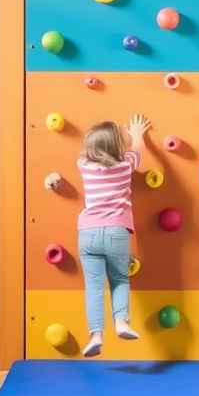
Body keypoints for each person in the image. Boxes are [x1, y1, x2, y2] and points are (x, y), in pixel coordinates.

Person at [76, 114, 150, 357]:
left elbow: (90, 152)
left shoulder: (84, 166)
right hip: (116, 231)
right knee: (119, 279)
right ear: (119, 146)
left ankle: (96, 335)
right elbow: (137, 149)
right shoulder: (126, 165)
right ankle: (121, 322)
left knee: (94, 287)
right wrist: (137, 134)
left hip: (87, 233)